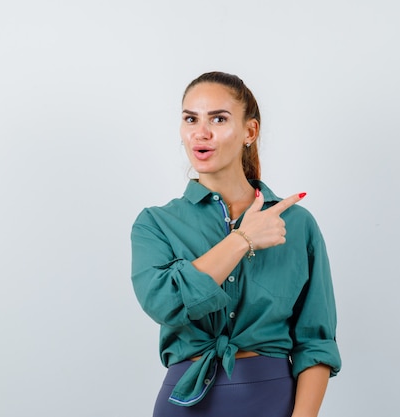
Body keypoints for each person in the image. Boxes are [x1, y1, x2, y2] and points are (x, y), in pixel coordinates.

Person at [131, 71, 341, 417]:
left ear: (250, 131)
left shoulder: (297, 224)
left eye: (219, 118)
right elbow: (162, 303)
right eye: (190, 119)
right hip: (184, 402)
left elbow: (316, 341)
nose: (202, 131)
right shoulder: (155, 224)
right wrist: (243, 239)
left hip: (271, 399)